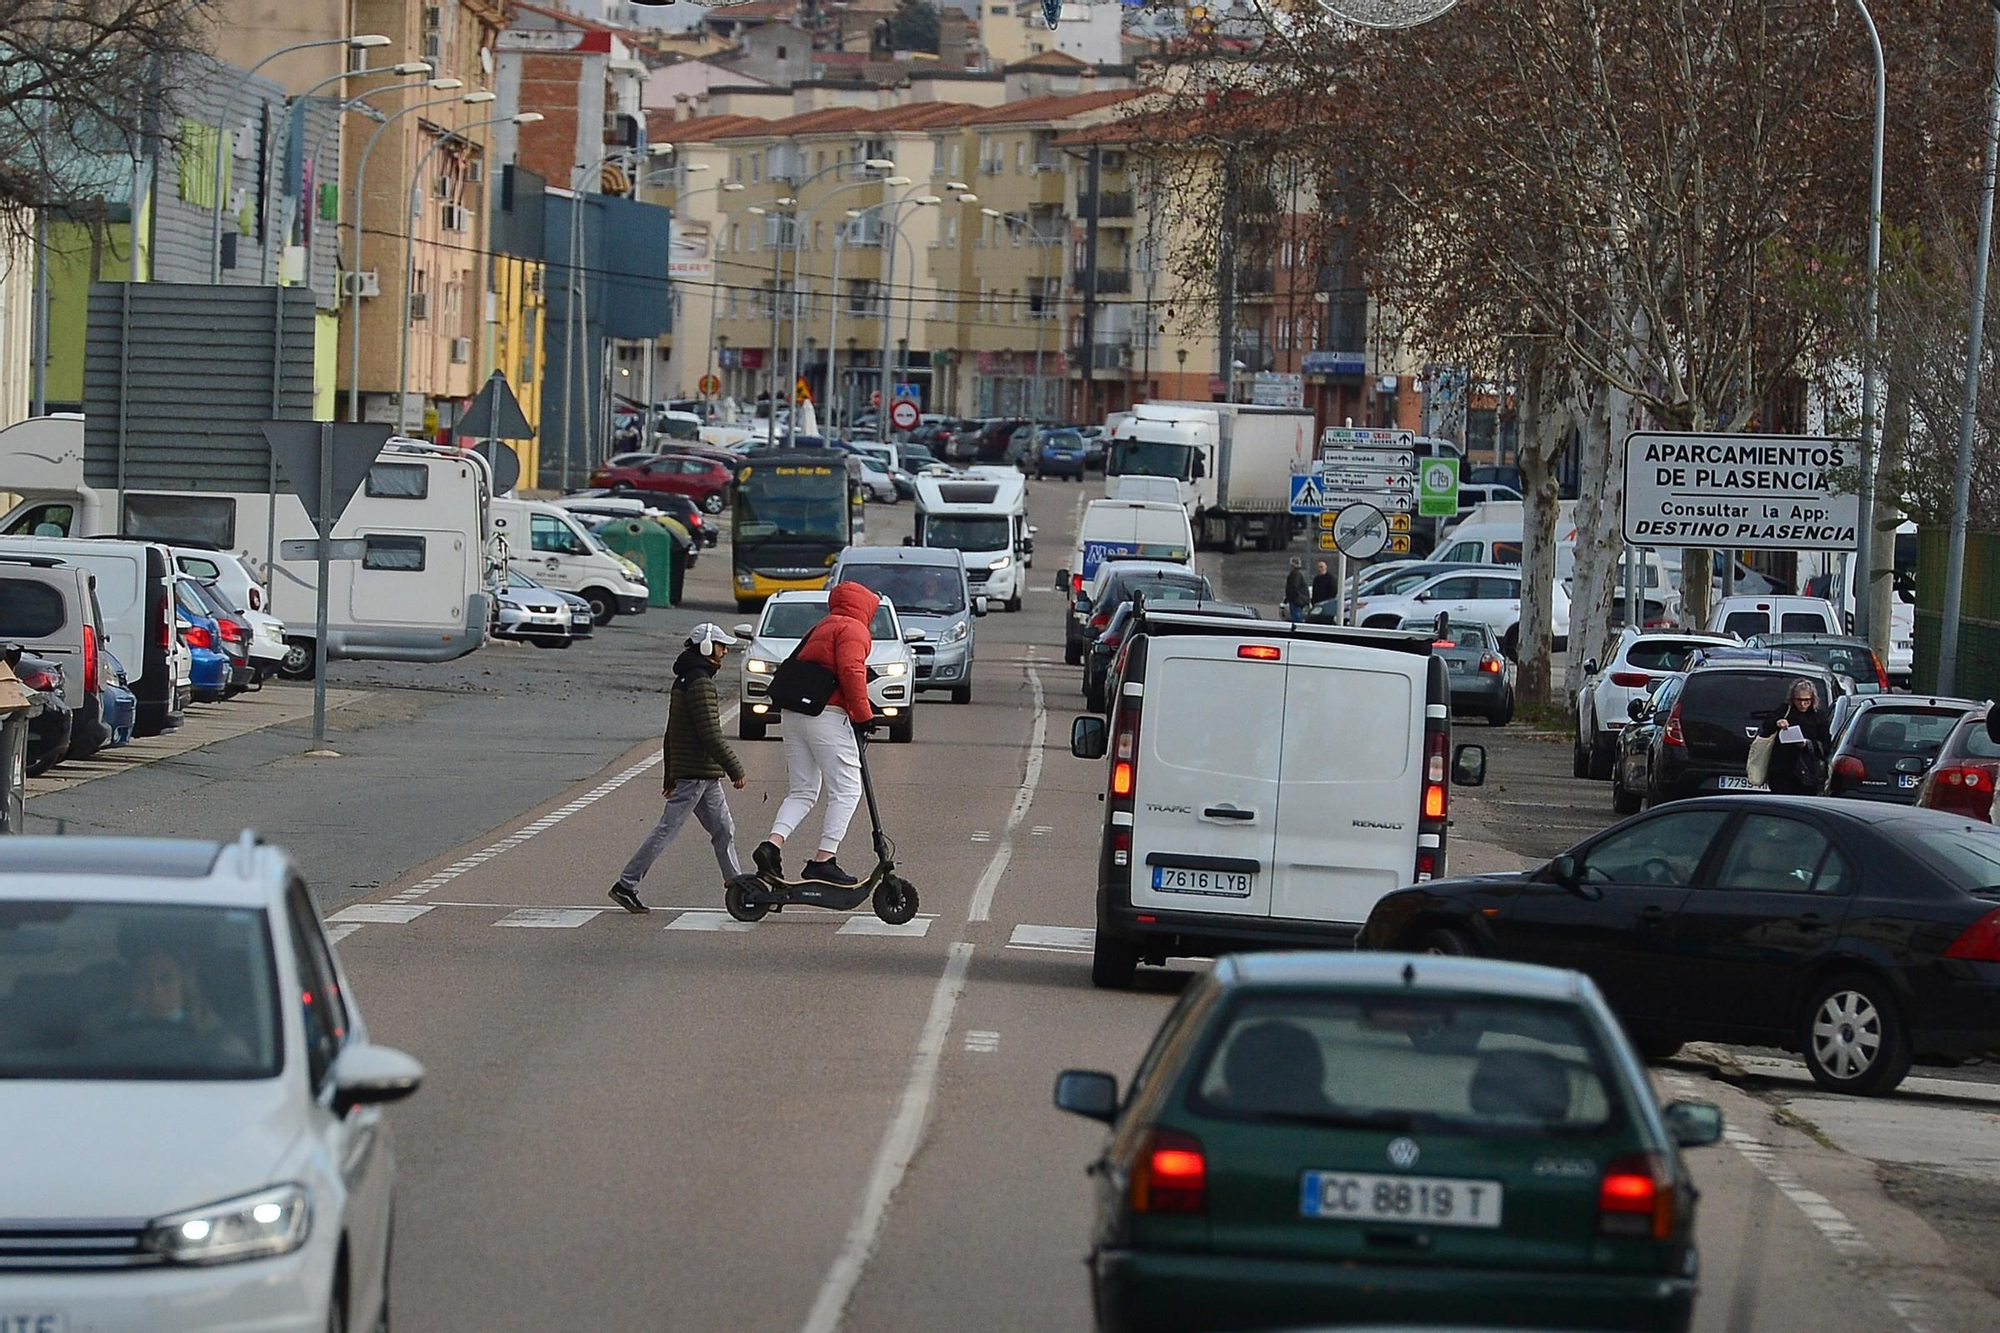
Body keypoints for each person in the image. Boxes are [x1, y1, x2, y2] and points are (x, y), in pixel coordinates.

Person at [608, 623, 747, 913]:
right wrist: (735, 768)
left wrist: (670, 772)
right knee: (666, 829)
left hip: (703, 774)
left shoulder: (686, 679)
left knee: (723, 828)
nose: (725, 651)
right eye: (721, 646)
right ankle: (626, 884)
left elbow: (672, 731)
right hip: (696, 773)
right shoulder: (699, 682)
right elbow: (710, 732)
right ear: (707, 647)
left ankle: (736, 882)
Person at [755, 582, 879, 886]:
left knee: (803, 789)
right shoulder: (854, 629)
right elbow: (851, 672)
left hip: (794, 713)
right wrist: (864, 716)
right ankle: (825, 859)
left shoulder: (822, 625)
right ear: (865, 606)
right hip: (826, 714)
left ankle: (772, 845)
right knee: (847, 789)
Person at [1758, 678, 1831, 795]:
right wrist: (1778, 722)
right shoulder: (1786, 709)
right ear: (1793, 699)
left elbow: (1826, 745)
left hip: (1807, 773)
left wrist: (1807, 744)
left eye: (1806, 700)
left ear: (1812, 699)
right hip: (1782, 770)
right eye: (1799, 700)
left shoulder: (1818, 716)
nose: (1802, 704)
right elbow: (1767, 724)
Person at [1283, 556, 1310, 623]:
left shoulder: (1295, 575)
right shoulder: (1297, 574)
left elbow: (1293, 587)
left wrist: (1290, 598)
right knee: (1296, 616)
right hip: (1297, 599)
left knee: (1296, 618)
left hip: (1296, 601)